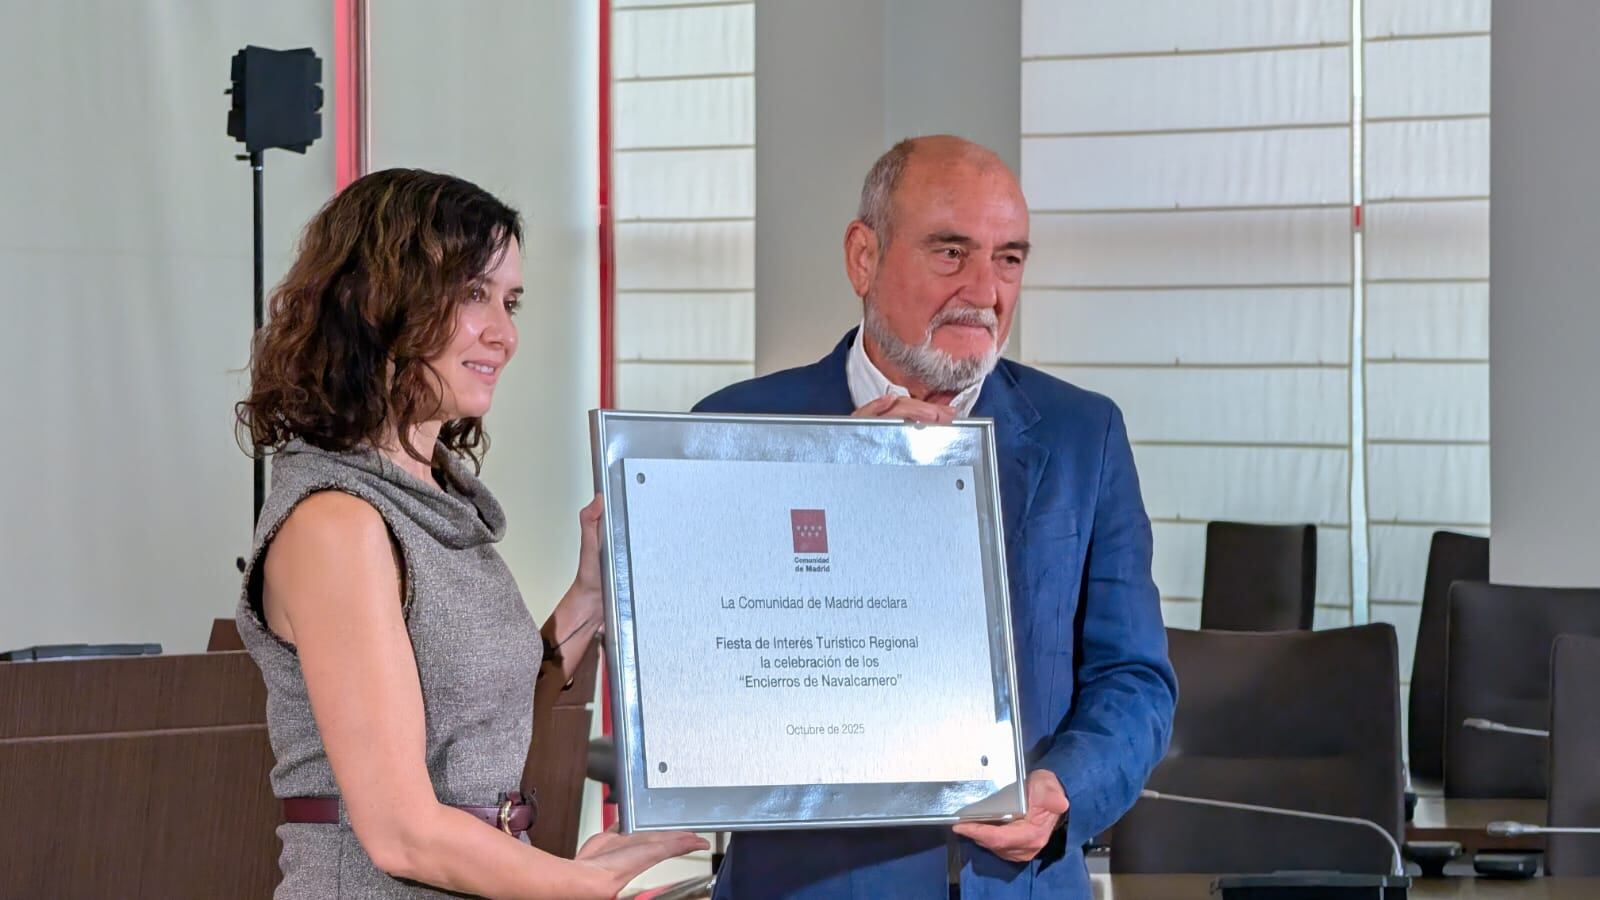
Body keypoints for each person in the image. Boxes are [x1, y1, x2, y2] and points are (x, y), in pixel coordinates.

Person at [694, 136, 1178, 898]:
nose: (985, 290)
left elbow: (1135, 678)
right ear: (863, 256)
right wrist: (851, 483)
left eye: (1009, 259)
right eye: (951, 253)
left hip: (1016, 882)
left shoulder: (1087, 435)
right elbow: (703, 681)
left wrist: (1061, 788)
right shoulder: (730, 432)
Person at [234, 169, 705, 898]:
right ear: (377, 301)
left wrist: (590, 591)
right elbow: (403, 833)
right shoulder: (337, 522)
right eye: (473, 295)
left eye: (509, 301)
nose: (505, 334)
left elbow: (482, 712)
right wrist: (577, 887)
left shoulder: (435, 498)